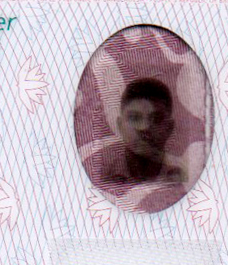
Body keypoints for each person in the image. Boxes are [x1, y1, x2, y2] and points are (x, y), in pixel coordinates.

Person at [81, 64, 200, 209]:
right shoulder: (101, 177)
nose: (144, 128)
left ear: (169, 128)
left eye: (156, 119)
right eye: (134, 118)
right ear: (120, 126)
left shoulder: (185, 178)